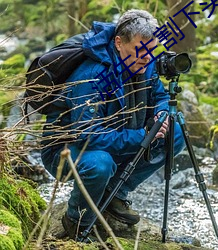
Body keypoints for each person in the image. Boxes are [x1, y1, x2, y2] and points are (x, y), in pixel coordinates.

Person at [41, 9, 185, 241]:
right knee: (100, 164)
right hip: (67, 150)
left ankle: (115, 193)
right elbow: (87, 135)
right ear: (119, 43)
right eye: (140, 50)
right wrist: (142, 136)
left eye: (151, 50)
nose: (147, 57)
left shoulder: (144, 61)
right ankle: (76, 221)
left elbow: (159, 96)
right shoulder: (92, 75)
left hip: (117, 136)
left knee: (175, 132)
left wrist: (161, 114)